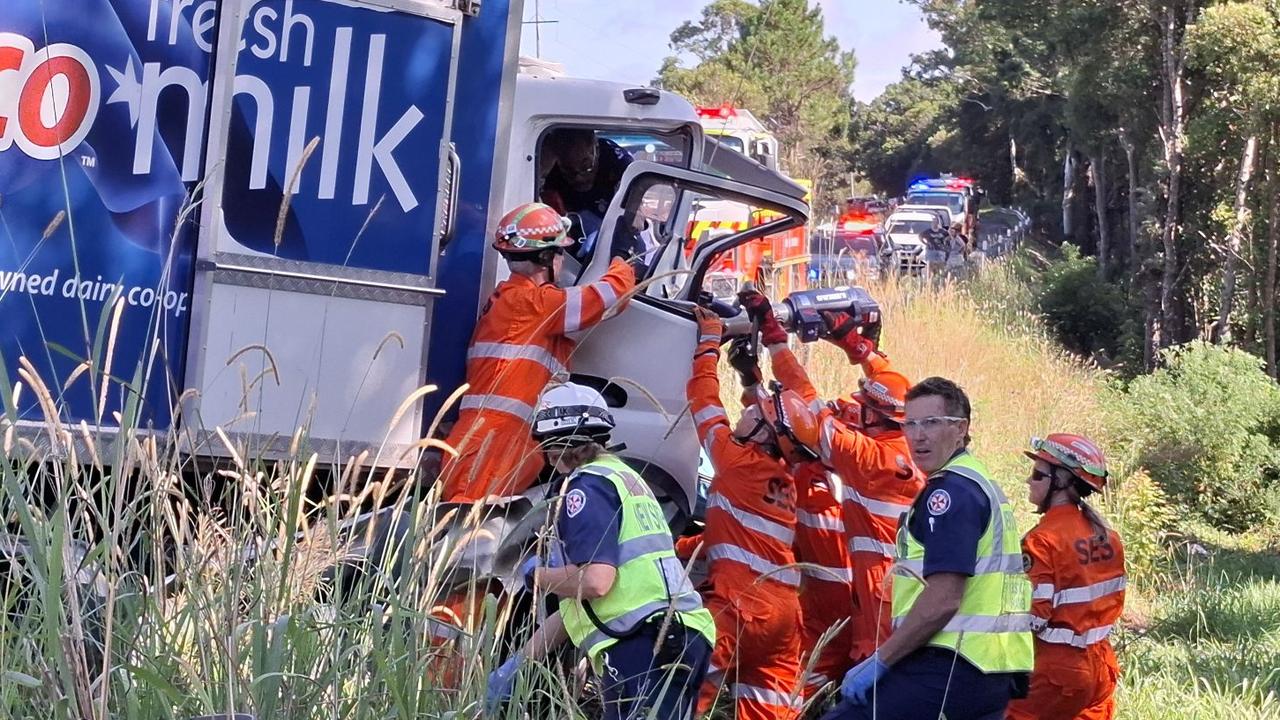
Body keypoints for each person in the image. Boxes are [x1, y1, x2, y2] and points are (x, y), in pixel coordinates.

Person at [486, 382, 715, 720]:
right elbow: (574, 611)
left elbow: (596, 581)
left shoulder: (586, 488)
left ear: (556, 446)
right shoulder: (626, 478)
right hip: (679, 636)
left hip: (644, 643)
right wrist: (513, 668)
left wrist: (538, 575)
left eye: (547, 448)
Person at [823, 377, 1033, 720]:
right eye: (911, 424)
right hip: (990, 668)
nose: (918, 435)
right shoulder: (978, 481)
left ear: (960, 429)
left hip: (951, 662)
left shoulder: (950, 492)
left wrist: (881, 660)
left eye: (932, 423)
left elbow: (943, 599)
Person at [739, 291, 924, 673]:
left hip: (879, 611)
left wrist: (775, 342)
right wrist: (854, 346)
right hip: (893, 597)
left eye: (860, 410)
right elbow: (894, 385)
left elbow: (807, 406)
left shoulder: (871, 460)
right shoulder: (909, 444)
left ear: (874, 419)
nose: (851, 413)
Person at [438, 202, 636, 502]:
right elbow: (608, 296)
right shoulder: (530, 303)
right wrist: (624, 258)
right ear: (546, 257)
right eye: (560, 252)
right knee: (465, 534)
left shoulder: (518, 302)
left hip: (495, 442)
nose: (562, 260)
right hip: (491, 447)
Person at [677, 306, 812, 720]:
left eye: (755, 412)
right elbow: (740, 538)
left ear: (763, 433)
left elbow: (702, 401)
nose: (746, 409)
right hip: (784, 620)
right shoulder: (784, 483)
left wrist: (708, 343)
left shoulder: (736, 463)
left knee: (680, 699)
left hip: (737, 610)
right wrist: (681, 547)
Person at [727, 336, 856, 699]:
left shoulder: (807, 495)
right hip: (819, 613)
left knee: (781, 695)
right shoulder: (812, 474)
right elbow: (776, 429)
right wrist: (751, 380)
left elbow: (771, 435)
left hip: (826, 626)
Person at [1007, 435, 1125, 720]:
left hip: (1055, 671)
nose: (1028, 481)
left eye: (1037, 475)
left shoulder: (1042, 541)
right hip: (1101, 667)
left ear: (1060, 482)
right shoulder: (1108, 537)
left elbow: (1032, 617)